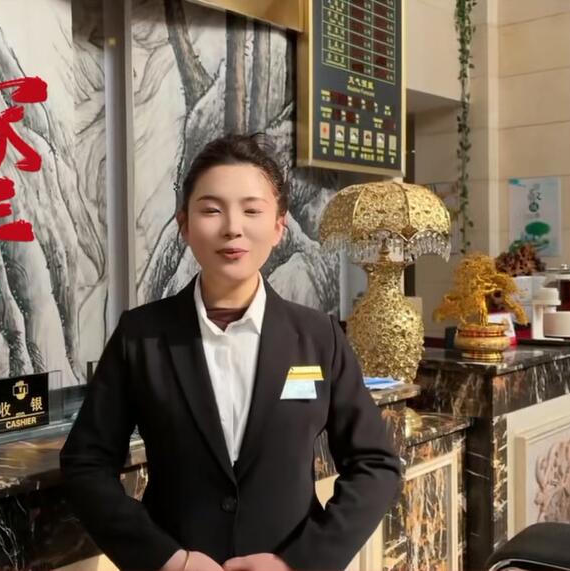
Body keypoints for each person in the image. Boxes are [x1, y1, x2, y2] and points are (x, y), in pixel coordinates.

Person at [60, 134, 401, 571]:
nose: (232, 227)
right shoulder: (141, 336)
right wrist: (168, 561)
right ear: (184, 225)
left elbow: (375, 464)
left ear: (279, 227)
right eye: (211, 209)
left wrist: (298, 562)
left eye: (252, 210)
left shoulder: (318, 337)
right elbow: (85, 462)